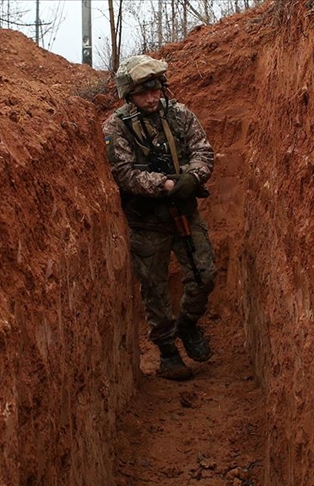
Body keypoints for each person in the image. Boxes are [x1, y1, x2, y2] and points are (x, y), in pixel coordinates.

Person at [102, 55, 217, 381]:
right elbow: (123, 173)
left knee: (205, 276)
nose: (152, 98)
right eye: (143, 93)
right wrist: (165, 185)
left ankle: (188, 326)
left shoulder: (180, 115)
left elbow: (202, 151)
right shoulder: (116, 127)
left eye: (155, 90)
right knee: (154, 290)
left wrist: (193, 178)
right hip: (147, 221)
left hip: (184, 212)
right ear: (129, 95)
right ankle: (167, 351)